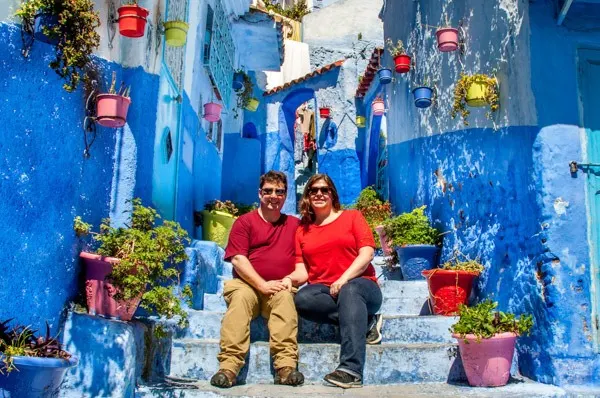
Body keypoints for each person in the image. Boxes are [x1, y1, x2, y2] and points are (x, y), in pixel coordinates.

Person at [210, 171, 306, 388]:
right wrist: (262, 284)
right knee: (241, 299)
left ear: (285, 195)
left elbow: (304, 265)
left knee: (284, 299)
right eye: (268, 191)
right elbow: (238, 259)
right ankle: (229, 368)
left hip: (280, 285)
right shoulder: (244, 223)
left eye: (279, 191)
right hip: (247, 285)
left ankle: (285, 368)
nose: (274, 196)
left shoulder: (294, 225)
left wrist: (288, 280)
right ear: (260, 194)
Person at [294, 174, 383, 389]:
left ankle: (351, 370)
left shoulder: (352, 217)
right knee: (303, 298)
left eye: (324, 189)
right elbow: (302, 272)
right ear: (307, 197)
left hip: (362, 286)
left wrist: (343, 279)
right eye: (313, 190)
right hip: (327, 291)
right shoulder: (302, 231)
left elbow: (367, 254)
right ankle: (368, 322)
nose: (319, 194)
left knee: (350, 291)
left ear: (332, 194)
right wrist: (285, 280)